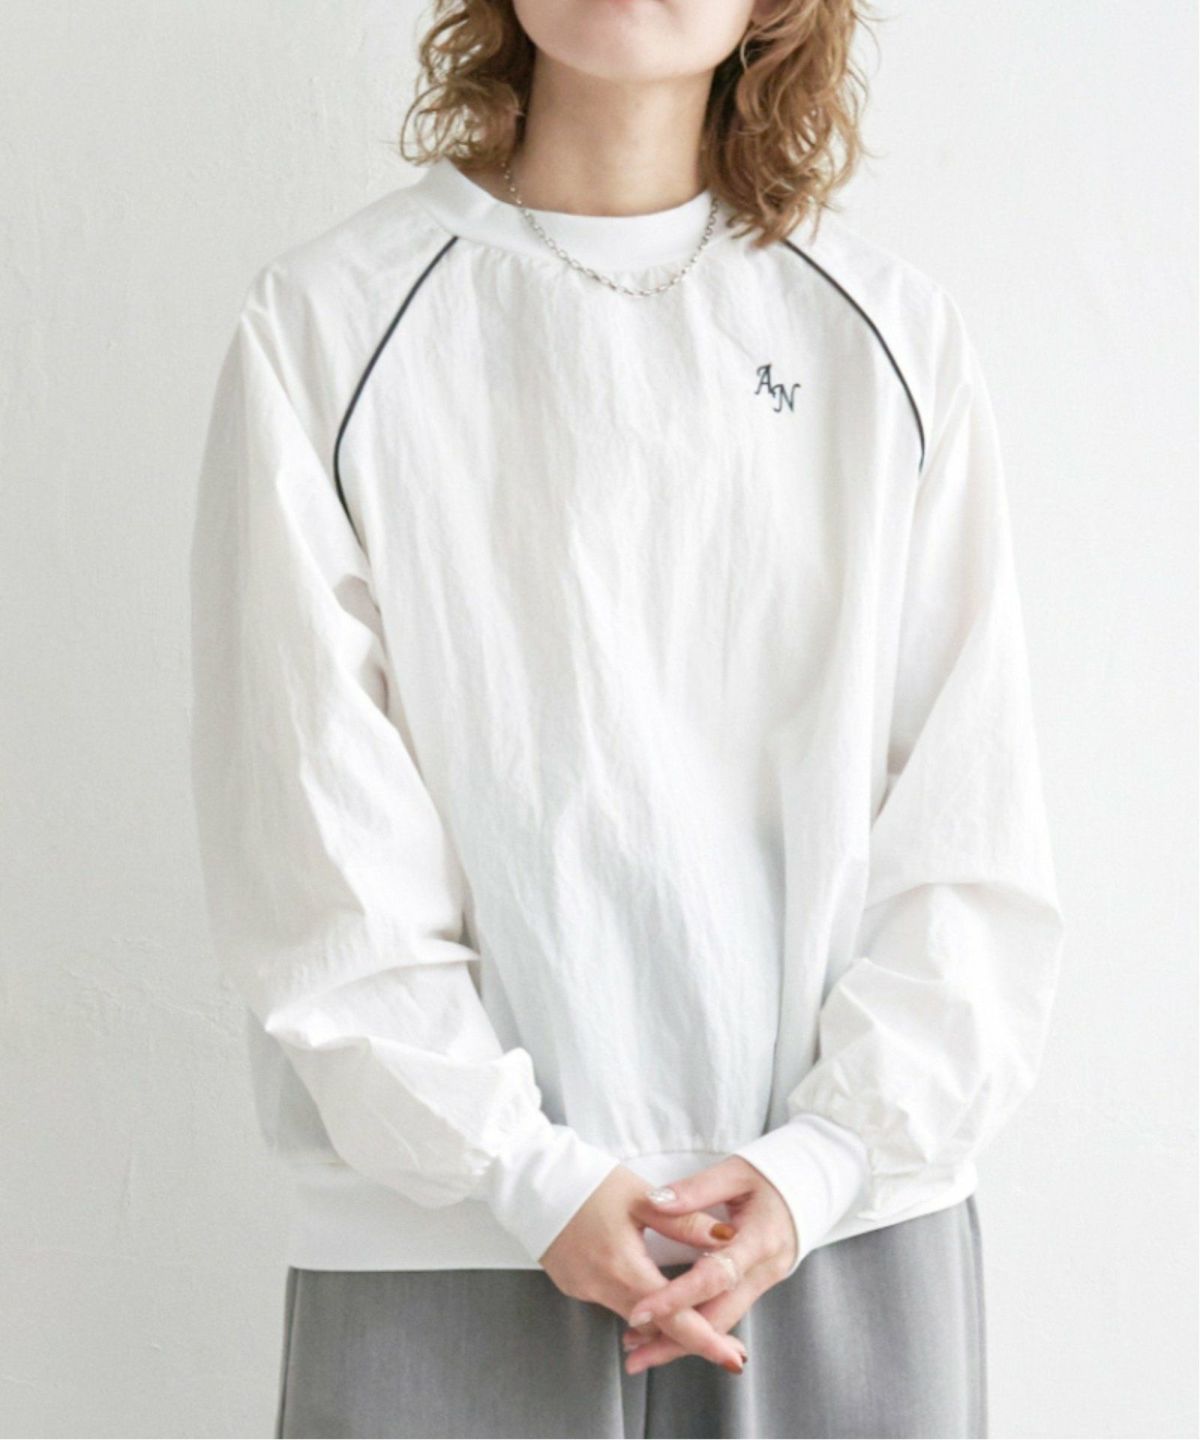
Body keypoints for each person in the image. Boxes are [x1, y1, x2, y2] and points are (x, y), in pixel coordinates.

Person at [188, 1, 1067, 1435]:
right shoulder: (328, 326)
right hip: (446, 1238)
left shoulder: (885, 336)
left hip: (837, 1234)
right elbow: (306, 835)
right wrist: (525, 1173)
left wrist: (822, 1162)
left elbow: (968, 827)